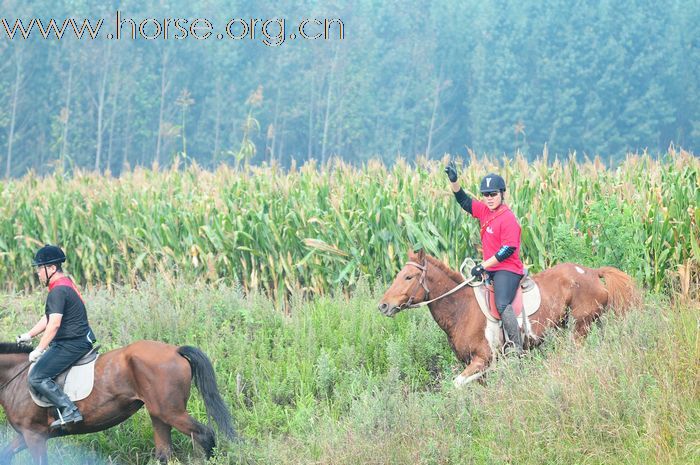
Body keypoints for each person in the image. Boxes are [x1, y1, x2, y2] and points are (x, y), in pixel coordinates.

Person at [444, 161, 525, 354]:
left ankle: (516, 348)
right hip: (490, 268)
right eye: (486, 194)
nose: (489, 198)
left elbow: (507, 250)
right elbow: (464, 201)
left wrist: (483, 266)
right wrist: (454, 181)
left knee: (501, 303)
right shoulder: (484, 211)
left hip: (508, 269)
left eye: (493, 194)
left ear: (502, 194)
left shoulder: (508, 218)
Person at [16, 244, 97, 428]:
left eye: (40, 268)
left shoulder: (58, 291)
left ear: (51, 268)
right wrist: (29, 334)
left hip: (72, 344)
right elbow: (48, 318)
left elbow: (54, 325)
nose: (38, 272)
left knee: (36, 376)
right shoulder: (63, 284)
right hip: (76, 340)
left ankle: (69, 409)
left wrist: (39, 349)